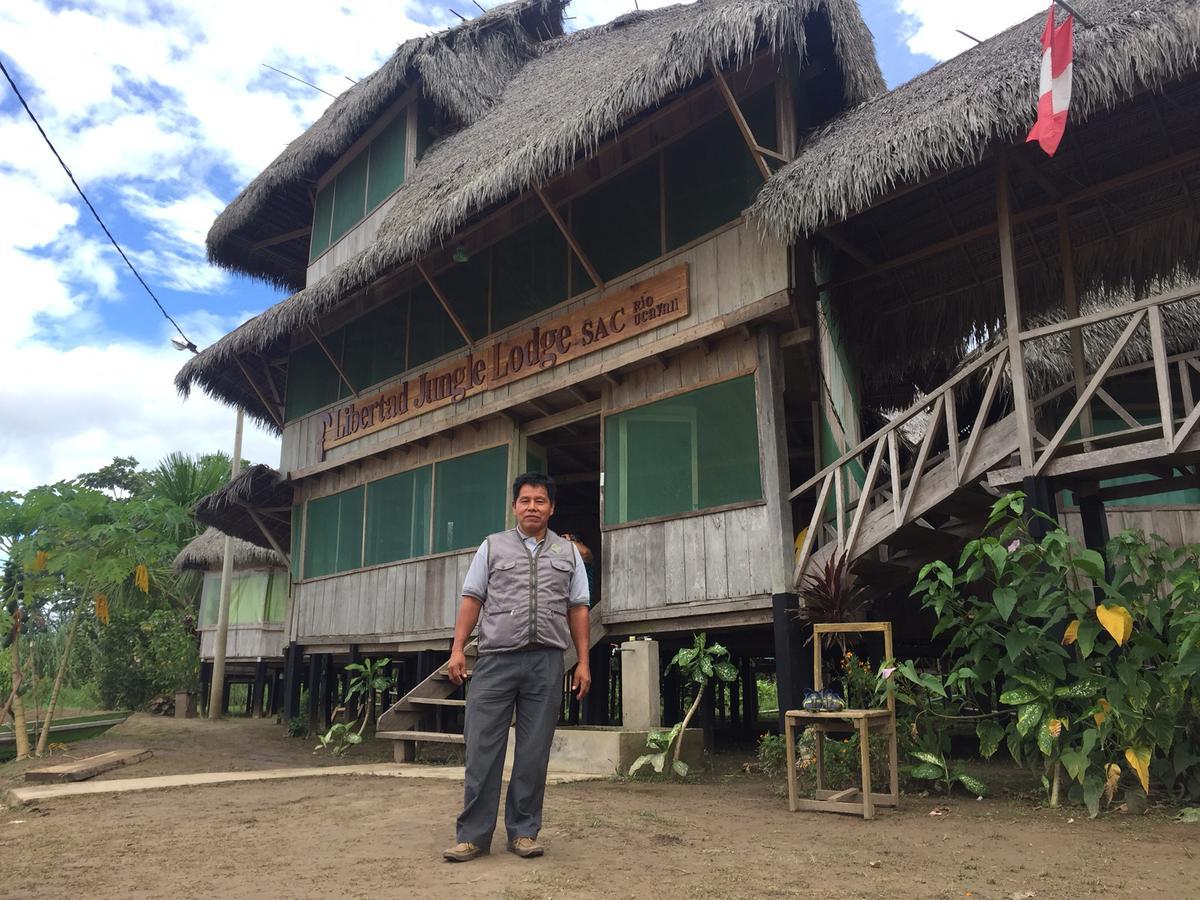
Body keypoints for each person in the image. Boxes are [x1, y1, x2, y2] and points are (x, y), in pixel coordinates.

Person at [442, 472, 591, 862]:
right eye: (525, 500)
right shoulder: (492, 548)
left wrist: (583, 662)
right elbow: (472, 598)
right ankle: (473, 836)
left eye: (540, 501)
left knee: (533, 752)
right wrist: (458, 649)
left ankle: (524, 833)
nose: (532, 507)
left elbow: (578, 608)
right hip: (494, 662)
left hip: (545, 663)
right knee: (481, 750)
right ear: (514, 506)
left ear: (551, 508)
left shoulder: (568, 553)